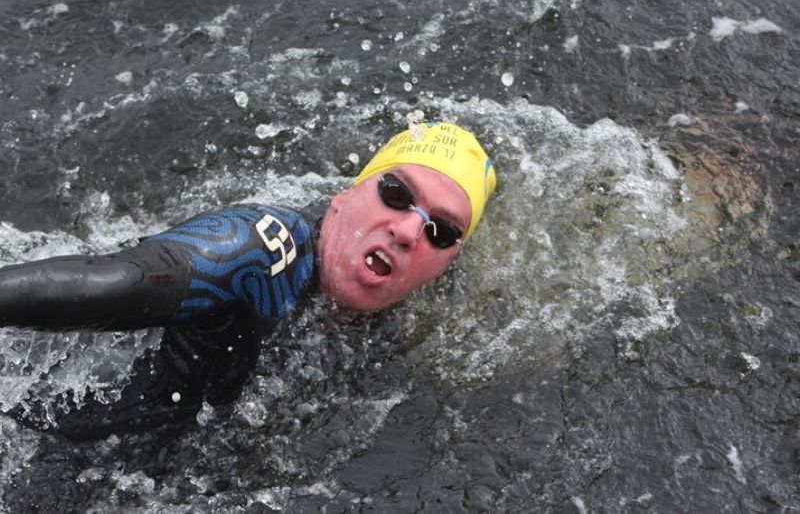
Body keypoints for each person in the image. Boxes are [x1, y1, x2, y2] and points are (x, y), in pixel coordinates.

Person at [0, 122, 496, 439]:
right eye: (395, 192)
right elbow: (128, 280)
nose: (410, 230)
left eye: (442, 231)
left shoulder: (404, 330)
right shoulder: (262, 251)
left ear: (443, 268)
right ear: (344, 197)